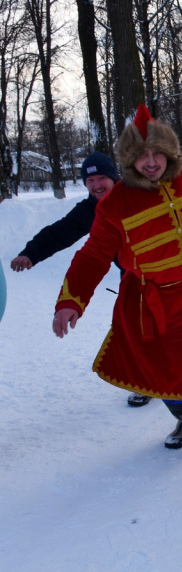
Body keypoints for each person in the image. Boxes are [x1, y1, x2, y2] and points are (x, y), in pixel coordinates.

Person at [52, 104, 182, 451]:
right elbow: (94, 255)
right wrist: (71, 301)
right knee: (156, 369)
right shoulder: (115, 204)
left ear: (169, 153)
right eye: (141, 154)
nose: (150, 161)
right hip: (153, 299)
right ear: (129, 160)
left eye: (157, 153)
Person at [10, 153, 151, 408]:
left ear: (114, 178)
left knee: (175, 326)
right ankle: (149, 380)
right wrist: (31, 253)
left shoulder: (136, 194)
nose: (97, 185)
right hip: (130, 276)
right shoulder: (91, 209)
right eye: (90, 180)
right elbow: (60, 232)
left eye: (102, 178)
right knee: (133, 327)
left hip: (163, 271)